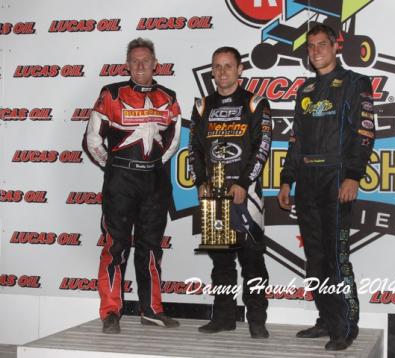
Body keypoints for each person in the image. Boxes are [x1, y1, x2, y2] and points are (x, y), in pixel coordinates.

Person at [277, 24, 375, 351]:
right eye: (311, 46)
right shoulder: (304, 90)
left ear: (335, 47)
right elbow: (296, 140)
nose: (316, 50)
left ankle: (345, 326)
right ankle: (325, 318)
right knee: (315, 257)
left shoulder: (354, 83)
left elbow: (364, 133)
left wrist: (353, 175)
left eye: (322, 44)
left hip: (336, 179)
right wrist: (286, 180)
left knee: (336, 257)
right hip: (306, 181)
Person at [84, 37, 181, 334]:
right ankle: (111, 312)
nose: (140, 65)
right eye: (134, 61)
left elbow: (174, 140)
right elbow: (92, 140)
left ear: (155, 64)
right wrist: (114, 167)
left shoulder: (169, 96)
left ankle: (151, 309)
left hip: (154, 183)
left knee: (151, 248)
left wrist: (152, 166)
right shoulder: (111, 94)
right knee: (116, 247)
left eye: (145, 60)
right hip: (121, 183)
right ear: (127, 64)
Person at [188, 47, 272, 339]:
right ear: (212, 71)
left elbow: (263, 147)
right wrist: (200, 181)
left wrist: (245, 184)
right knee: (221, 262)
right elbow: (195, 149)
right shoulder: (202, 106)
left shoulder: (255, 103)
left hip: (246, 194)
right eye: (217, 67)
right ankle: (223, 316)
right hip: (214, 194)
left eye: (228, 66)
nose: (222, 72)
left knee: (253, 261)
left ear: (240, 70)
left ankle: (257, 320)